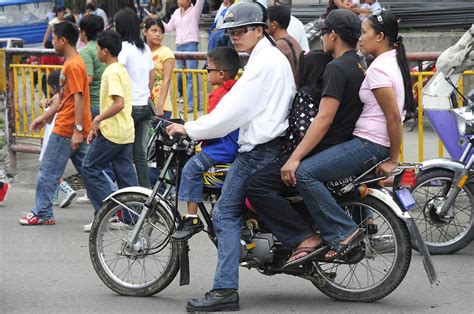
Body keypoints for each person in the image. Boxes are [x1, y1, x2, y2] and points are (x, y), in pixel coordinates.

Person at [166, 2, 295, 311]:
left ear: (260, 29)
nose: (234, 37)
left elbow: (230, 112)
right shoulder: (265, 59)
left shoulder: (263, 64)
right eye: (231, 32)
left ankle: (225, 291)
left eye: (240, 31)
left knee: (224, 214)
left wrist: (189, 128)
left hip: (260, 151)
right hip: (266, 146)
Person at [246, 9, 366, 266]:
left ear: (333, 35)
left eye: (324, 32)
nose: (322, 37)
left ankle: (304, 237)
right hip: (343, 144)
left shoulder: (335, 68)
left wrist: (295, 157)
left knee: (256, 184)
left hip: (323, 148)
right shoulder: (358, 64)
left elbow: (323, 120)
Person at [20, 21, 91, 225]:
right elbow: (63, 97)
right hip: (73, 127)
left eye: (54, 38)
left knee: (48, 171)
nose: (52, 41)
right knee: (92, 172)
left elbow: (78, 97)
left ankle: (42, 212)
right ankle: (118, 208)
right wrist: (44, 118)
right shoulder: (71, 63)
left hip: (67, 128)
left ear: (63, 40)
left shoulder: (74, 65)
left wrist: (77, 129)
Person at [172, 46, 240, 241]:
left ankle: (192, 218)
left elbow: (212, 124)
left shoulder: (219, 95)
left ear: (220, 74)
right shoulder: (237, 89)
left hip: (224, 146)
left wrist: (191, 132)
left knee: (191, 168)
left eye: (207, 69)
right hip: (231, 144)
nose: (205, 72)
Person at [82, 30, 138, 230]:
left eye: (98, 48)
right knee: (126, 177)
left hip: (113, 131)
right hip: (125, 131)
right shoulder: (121, 69)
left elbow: (119, 103)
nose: (96, 52)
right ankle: (134, 218)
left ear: (105, 51)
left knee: (89, 167)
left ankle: (109, 211)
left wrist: (97, 119)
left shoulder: (111, 72)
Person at [115, 8, 154, 188]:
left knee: (121, 153)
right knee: (140, 155)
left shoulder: (122, 49)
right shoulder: (144, 47)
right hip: (145, 105)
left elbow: (118, 74)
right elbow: (152, 76)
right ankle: (146, 193)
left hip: (129, 107)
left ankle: (126, 191)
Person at [38, 70, 77, 208]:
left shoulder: (56, 99)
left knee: (49, 168)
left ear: (53, 87)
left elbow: (48, 119)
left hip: (54, 133)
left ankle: (67, 189)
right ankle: (53, 198)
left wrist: (44, 108)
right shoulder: (64, 97)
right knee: (54, 168)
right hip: (62, 132)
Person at [164, 0, 205, 112]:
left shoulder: (194, 11)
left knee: (191, 75)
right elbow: (168, 28)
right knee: (183, 76)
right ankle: (188, 102)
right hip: (179, 46)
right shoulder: (177, 12)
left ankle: (192, 104)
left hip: (190, 45)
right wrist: (157, 20)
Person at [144, 18, 175, 119]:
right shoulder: (141, 51)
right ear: (145, 32)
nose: (158, 34)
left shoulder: (166, 53)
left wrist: (160, 106)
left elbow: (167, 80)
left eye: (161, 32)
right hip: (143, 103)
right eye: (154, 31)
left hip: (160, 105)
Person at [267, 5, 302, 86]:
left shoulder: (277, 47)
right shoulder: (294, 42)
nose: (264, 25)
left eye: (266, 22)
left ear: (273, 25)